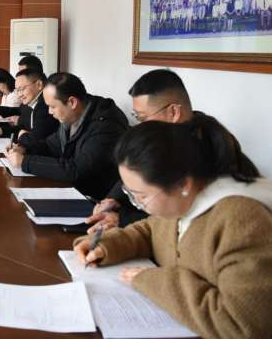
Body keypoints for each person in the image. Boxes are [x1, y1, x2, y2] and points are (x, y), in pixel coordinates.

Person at [74, 117, 272, 339]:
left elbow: (243, 325)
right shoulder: (182, 200)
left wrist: (154, 281)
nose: (138, 205)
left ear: (183, 184)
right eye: (131, 194)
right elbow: (152, 232)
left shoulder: (242, 220)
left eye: (142, 196)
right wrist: (108, 245)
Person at [86, 69, 197, 233]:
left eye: (143, 118)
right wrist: (113, 199)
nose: (140, 125)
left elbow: (179, 223)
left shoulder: (204, 151)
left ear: (173, 112)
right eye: (137, 117)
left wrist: (122, 220)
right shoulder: (161, 137)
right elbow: (131, 176)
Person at [4, 72, 128, 200]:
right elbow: (51, 145)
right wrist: (24, 149)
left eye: (52, 106)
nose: (50, 112)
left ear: (72, 102)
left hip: (95, 199)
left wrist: (25, 162)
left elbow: (76, 169)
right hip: (72, 189)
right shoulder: (73, 116)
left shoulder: (105, 126)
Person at [0, 68, 59, 145]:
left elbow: (34, 141)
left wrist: (22, 134)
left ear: (39, 84)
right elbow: (21, 123)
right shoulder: (30, 102)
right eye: (17, 90)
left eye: (22, 89)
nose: (19, 95)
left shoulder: (46, 106)